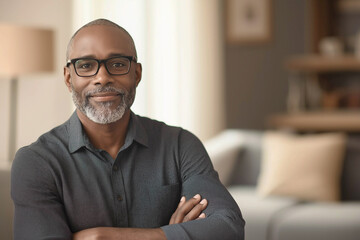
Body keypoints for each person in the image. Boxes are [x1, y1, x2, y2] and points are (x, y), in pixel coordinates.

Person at [11, 18, 245, 240]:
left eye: (118, 64)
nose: (102, 77)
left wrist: (104, 237)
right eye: (86, 65)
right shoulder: (36, 162)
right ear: (68, 78)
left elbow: (229, 228)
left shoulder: (180, 145)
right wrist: (172, 234)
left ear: (137, 73)